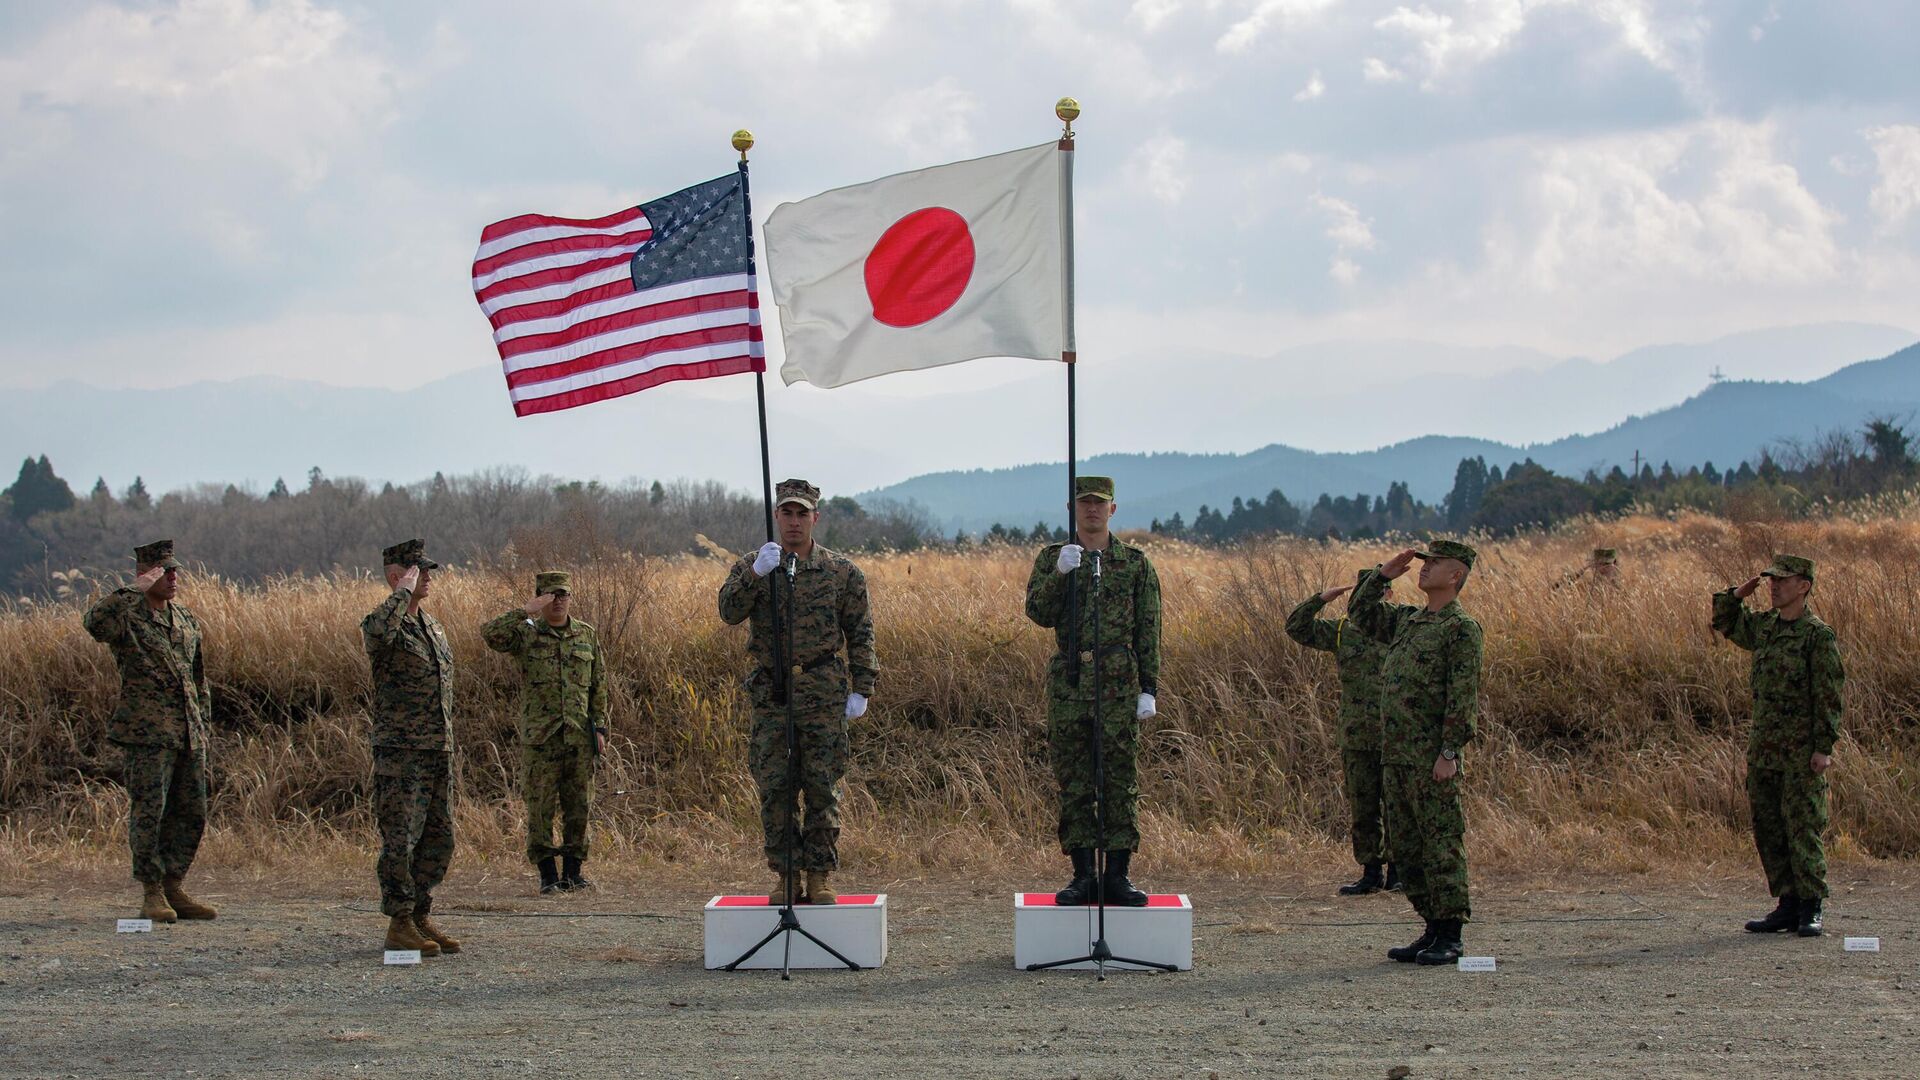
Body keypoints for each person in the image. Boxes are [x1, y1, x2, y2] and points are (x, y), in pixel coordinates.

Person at [717, 480, 878, 905]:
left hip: (822, 690)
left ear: (815, 518)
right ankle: (786, 874)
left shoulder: (841, 571)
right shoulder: (757, 565)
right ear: (776, 517)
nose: (793, 521)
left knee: (823, 786)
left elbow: (860, 631)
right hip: (773, 692)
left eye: (801, 514)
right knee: (776, 786)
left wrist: (863, 686)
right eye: (786, 513)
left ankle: (820, 874)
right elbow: (728, 612)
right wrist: (755, 576)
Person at [1024, 476, 1162, 907]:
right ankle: (1083, 874)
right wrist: (1060, 575)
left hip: (1119, 682)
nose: (1092, 510)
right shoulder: (1055, 558)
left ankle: (1117, 875)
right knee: (1076, 780)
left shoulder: (1134, 563)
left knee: (1120, 779)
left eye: (1100, 504)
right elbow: (1038, 613)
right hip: (1070, 680)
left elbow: (1149, 629)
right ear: (1072, 508)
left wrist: (1149, 688)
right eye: (1084, 503)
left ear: (1113, 509)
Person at [1348, 540, 1483, 966]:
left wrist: (1449, 751)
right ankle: (1430, 925)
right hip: (1397, 756)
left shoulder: (1460, 629)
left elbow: (1462, 698)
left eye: (1435, 564)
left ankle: (1451, 933)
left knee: (1441, 844)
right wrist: (1382, 576)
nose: (1424, 570)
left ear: (1455, 575)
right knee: (1406, 848)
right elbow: (1361, 614)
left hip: (1430, 758)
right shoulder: (1409, 622)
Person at [82, 540, 217, 923]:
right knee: (150, 813)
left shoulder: (186, 619)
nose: (174, 578)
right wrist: (133, 590)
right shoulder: (127, 615)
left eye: (175, 570)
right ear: (146, 573)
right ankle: (152, 891)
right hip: (147, 733)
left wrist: (203, 726)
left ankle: (174, 884)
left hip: (187, 732)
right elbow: (94, 624)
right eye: (165, 571)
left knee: (192, 812)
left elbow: (198, 678)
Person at [1712, 554, 1844, 937]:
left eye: (1782, 581)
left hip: (1801, 751)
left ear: (1803, 586)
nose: (1774, 586)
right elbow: (1724, 622)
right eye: (1771, 580)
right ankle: (1786, 903)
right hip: (1766, 748)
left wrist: (1824, 747)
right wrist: (1737, 594)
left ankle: (1811, 905)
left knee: (1803, 826)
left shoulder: (1817, 636)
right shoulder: (1766, 627)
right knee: (1768, 826)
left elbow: (1829, 696)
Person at [361, 539, 461, 956]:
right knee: (401, 840)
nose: (428, 577)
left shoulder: (431, 626)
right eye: (418, 570)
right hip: (401, 753)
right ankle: (399, 922)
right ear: (396, 574)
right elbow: (376, 632)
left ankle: (420, 915)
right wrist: (400, 592)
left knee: (439, 839)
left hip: (436, 749)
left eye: (428, 570)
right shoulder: (383, 624)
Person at [483, 571, 609, 893]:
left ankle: (573, 873)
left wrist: (601, 727)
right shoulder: (527, 635)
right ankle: (548, 877)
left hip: (578, 737)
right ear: (540, 598)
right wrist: (524, 611)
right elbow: (490, 634)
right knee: (540, 808)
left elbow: (599, 685)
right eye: (551, 595)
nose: (558, 601)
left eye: (563, 594)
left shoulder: (586, 635)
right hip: (540, 739)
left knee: (579, 806)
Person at [1286, 570, 1399, 896]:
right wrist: (1322, 599)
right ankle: (1370, 871)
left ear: (1388, 595)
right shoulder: (1341, 631)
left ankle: (1399, 871)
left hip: (1396, 734)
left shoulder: (1400, 629)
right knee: (1363, 807)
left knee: (1396, 806)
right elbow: (1296, 627)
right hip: (1356, 733)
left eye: (1377, 592)